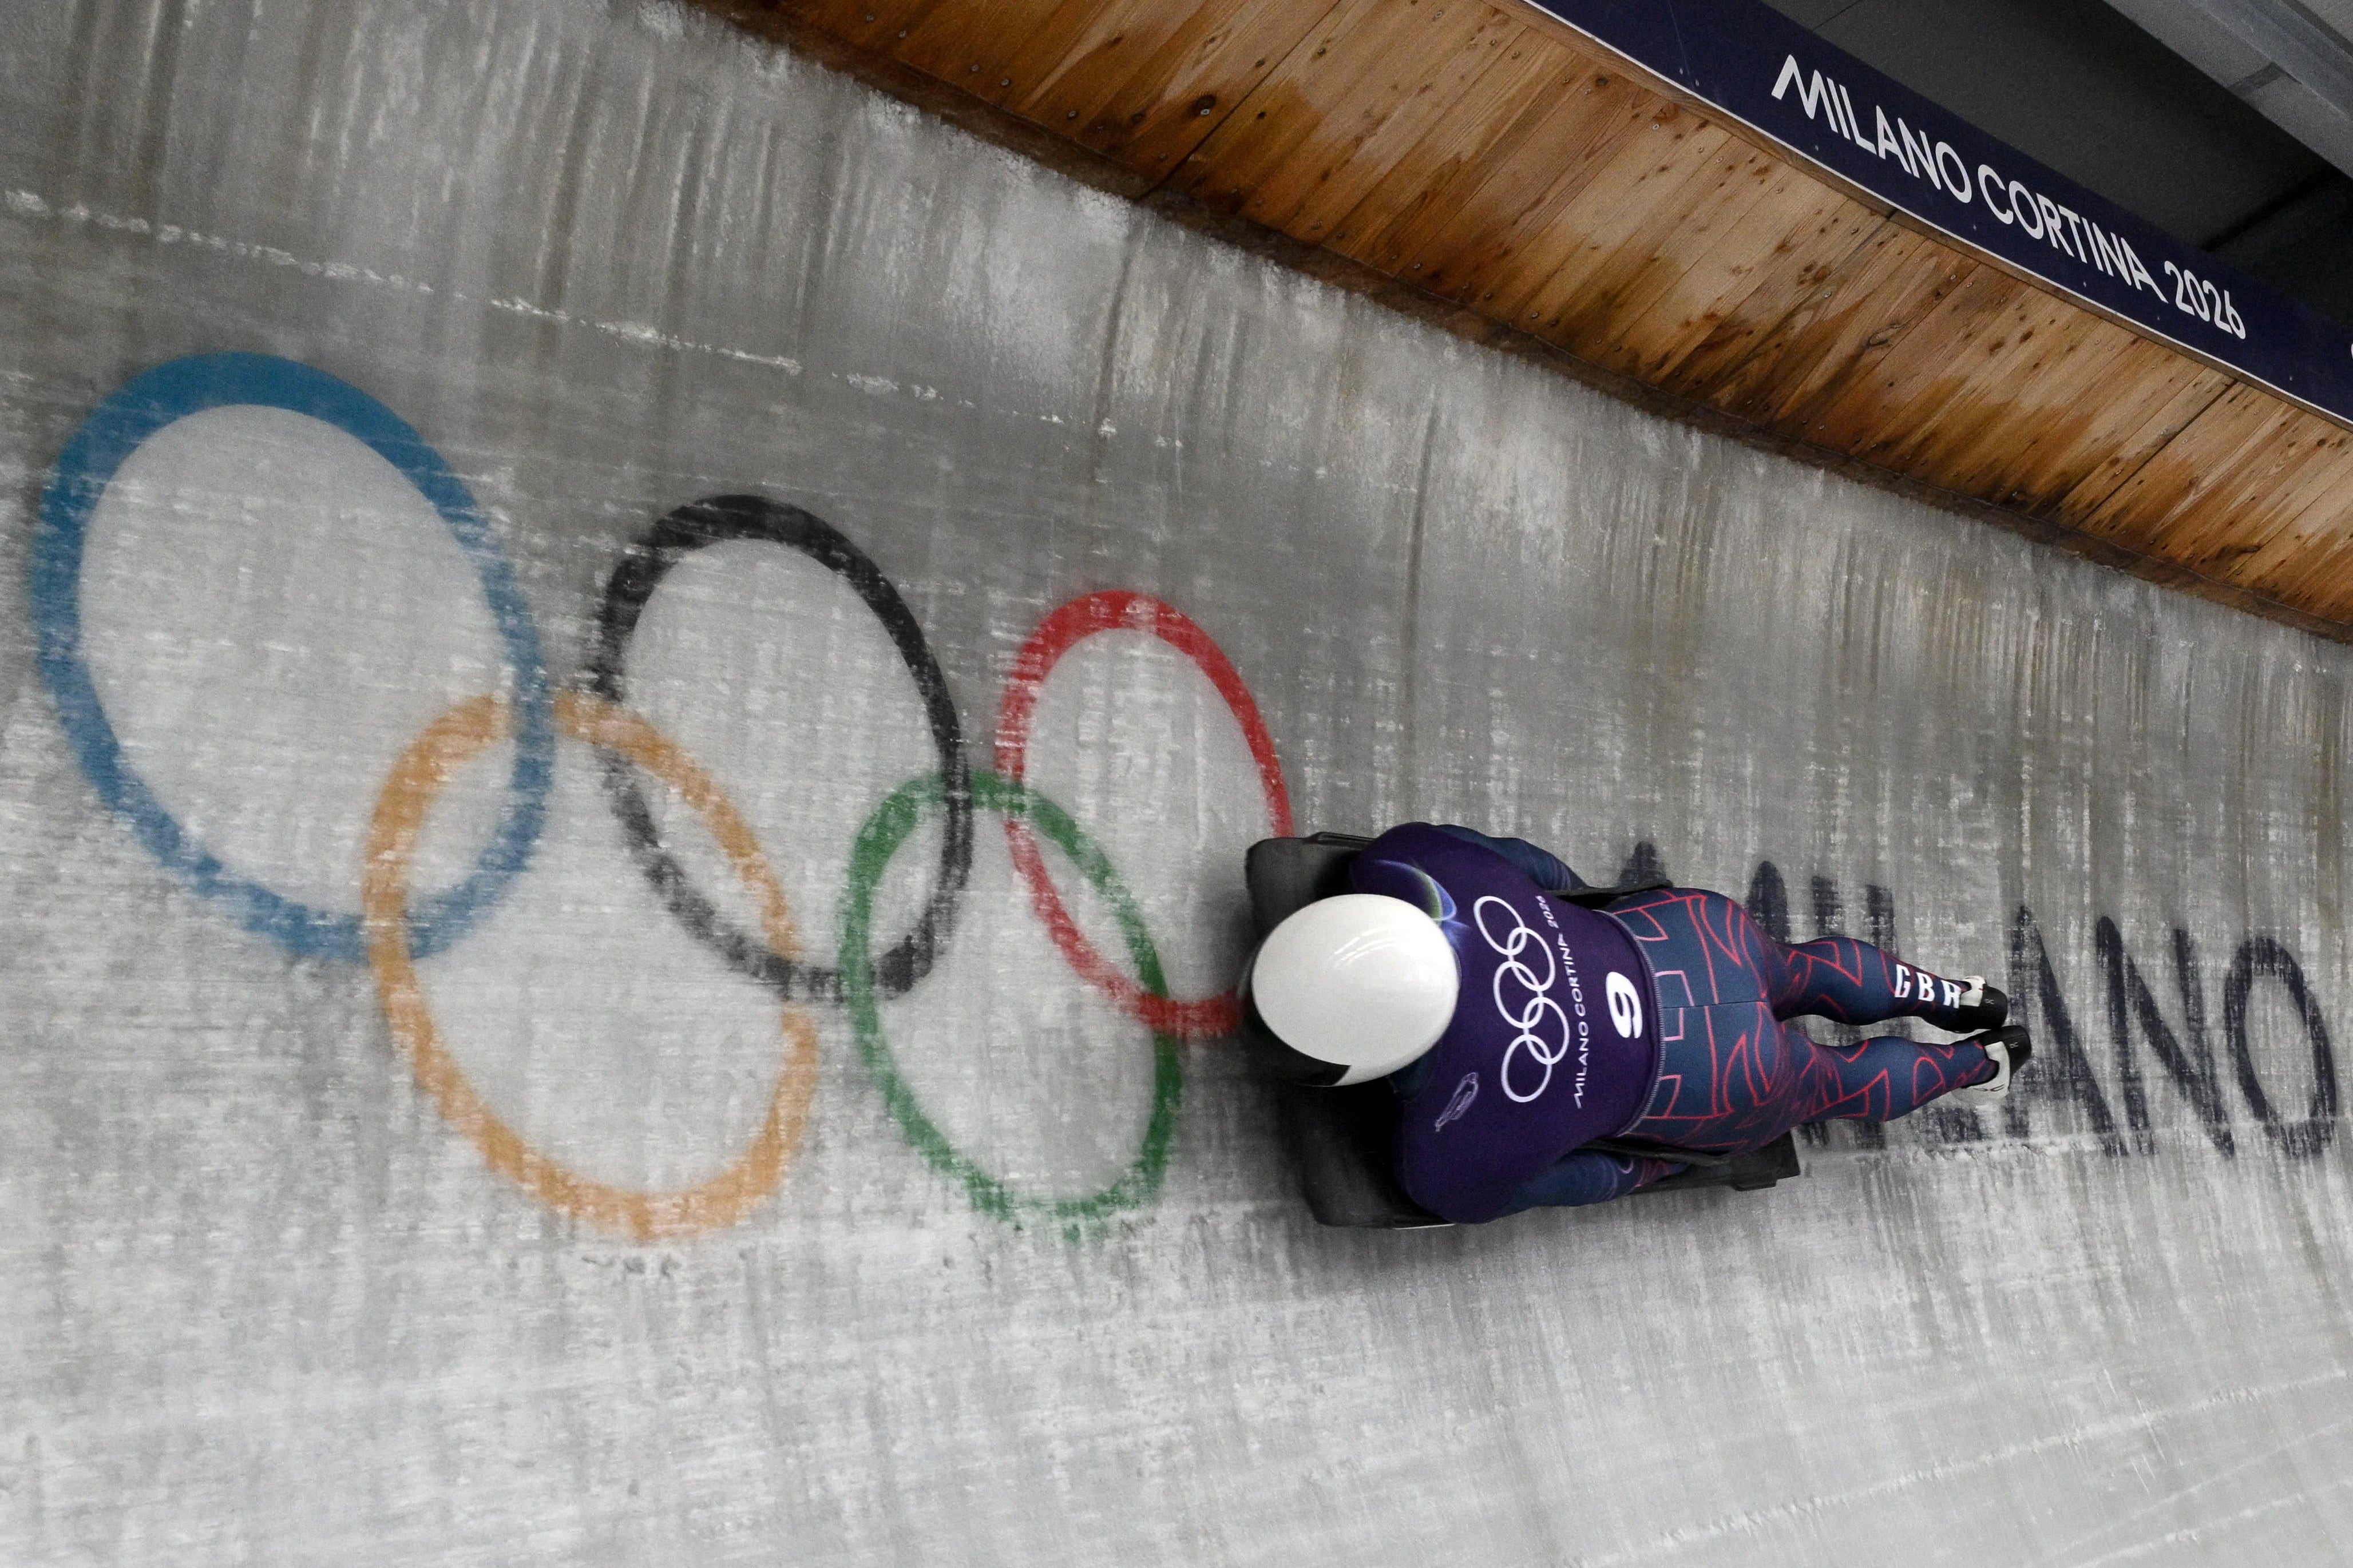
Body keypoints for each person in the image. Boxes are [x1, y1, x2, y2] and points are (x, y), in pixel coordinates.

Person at [1239, 822, 2031, 1224]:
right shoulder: (1404, 861)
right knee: (1796, 968)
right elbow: (1533, 867)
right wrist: (1581, 924)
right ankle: (1959, 995)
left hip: (1712, 1080)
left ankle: (1978, 1068)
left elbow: (1573, 1181)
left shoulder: (1446, 1150)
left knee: (1827, 1082)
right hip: (1691, 935)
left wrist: (1654, 1170)